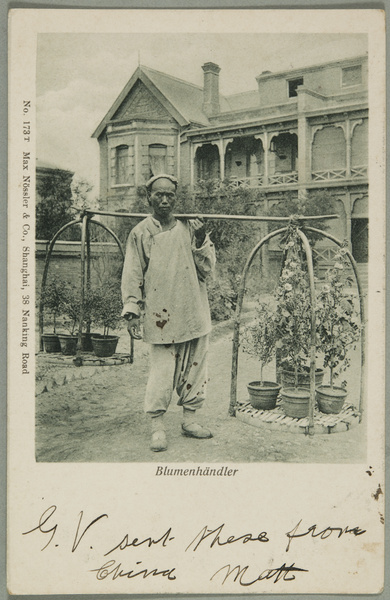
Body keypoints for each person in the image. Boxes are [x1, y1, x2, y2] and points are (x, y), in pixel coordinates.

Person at [121, 174, 216, 452]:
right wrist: (132, 309)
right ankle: (157, 428)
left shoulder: (190, 227)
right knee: (162, 373)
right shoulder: (140, 232)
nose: (164, 199)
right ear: (148, 197)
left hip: (193, 309)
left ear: (176, 198)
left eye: (170, 195)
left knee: (196, 368)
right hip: (161, 315)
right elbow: (132, 273)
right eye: (158, 194)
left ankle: (190, 421)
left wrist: (199, 239)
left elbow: (207, 270)